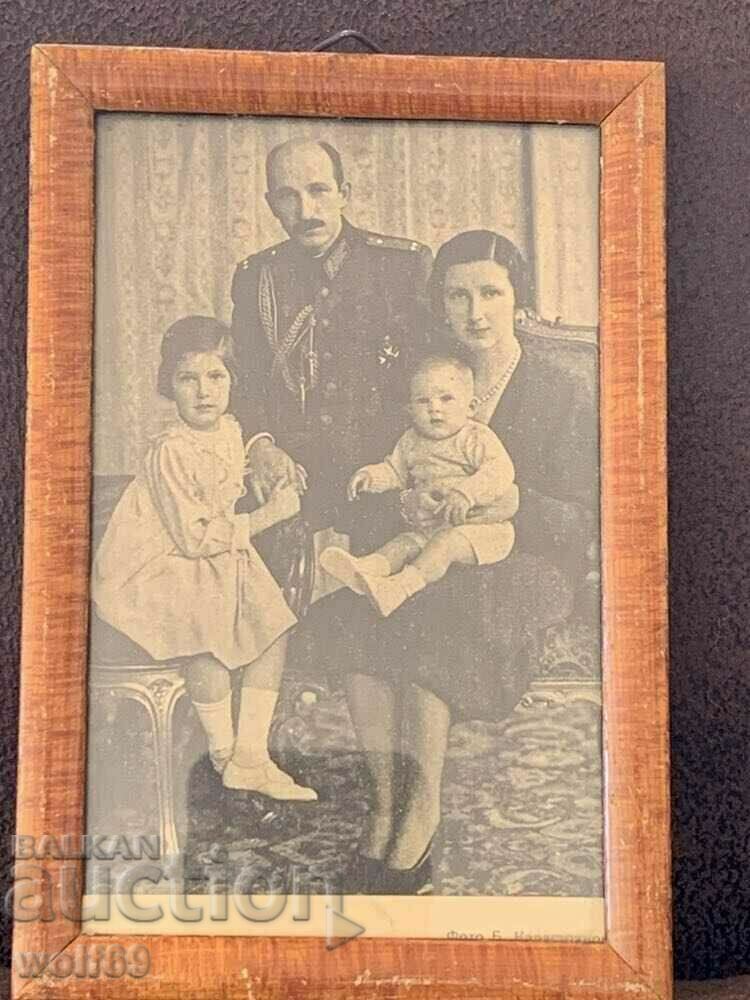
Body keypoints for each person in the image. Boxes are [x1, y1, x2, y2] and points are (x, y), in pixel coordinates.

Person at [335, 230, 598, 893]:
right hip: (435, 547)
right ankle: (386, 801)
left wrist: (509, 500)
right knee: (353, 610)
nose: (475, 311)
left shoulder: (560, 389)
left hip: (525, 559)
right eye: (458, 295)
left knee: (443, 610)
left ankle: (422, 815)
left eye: (491, 292)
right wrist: (408, 508)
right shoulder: (428, 381)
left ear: (519, 299)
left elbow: (578, 521)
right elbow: (393, 473)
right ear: (440, 304)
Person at [92, 316, 317, 801]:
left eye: (217, 376)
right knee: (205, 638)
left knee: (274, 627)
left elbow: (233, 483)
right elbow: (193, 536)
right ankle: (223, 754)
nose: (203, 391)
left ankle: (250, 757)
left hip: (211, 554)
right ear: (168, 385)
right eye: (187, 378)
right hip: (154, 565)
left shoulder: (234, 431)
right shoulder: (170, 449)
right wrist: (270, 516)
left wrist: (267, 481)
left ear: (233, 381)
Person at [230, 138, 433, 542]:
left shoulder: (402, 266)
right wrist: (260, 445)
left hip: (385, 468)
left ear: (344, 194)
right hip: (295, 471)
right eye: (288, 197)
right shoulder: (257, 277)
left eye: (318, 190)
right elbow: (244, 379)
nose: (306, 211)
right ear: (271, 205)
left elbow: (434, 373)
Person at [320, 354, 516, 617]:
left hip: (482, 531)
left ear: (470, 407)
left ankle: (400, 587)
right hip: (433, 526)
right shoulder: (411, 440)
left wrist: (466, 493)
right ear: (410, 409)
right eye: (423, 401)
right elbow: (394, 470)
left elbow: (500, 471)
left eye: (446, 399)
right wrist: (371, 476)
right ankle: (368, 569)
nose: (434, 408)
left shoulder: (475, 437)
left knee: (443, 545)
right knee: (404, 542)